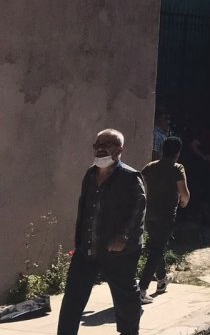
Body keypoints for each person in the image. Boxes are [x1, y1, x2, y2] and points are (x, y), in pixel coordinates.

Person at [57, 129, 145, 335]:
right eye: (97, 144)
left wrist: (124, 236)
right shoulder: (89, 174)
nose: (100, 148)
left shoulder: (131, 177)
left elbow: (138, 208)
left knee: (125, 296)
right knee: (72, 298)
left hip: (118, 251)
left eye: (107, 144)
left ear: (119, 150)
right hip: (87, 247)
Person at [138, 136, 191, 302]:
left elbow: (138, 184)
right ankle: (142, 288)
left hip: (149, 213)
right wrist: (183, 202)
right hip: (166, 214)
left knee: (156, 246)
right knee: (156, 250)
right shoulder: (177, 168)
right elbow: (184, 193)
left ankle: (161, 280)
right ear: (178, 153)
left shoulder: (149, 167)